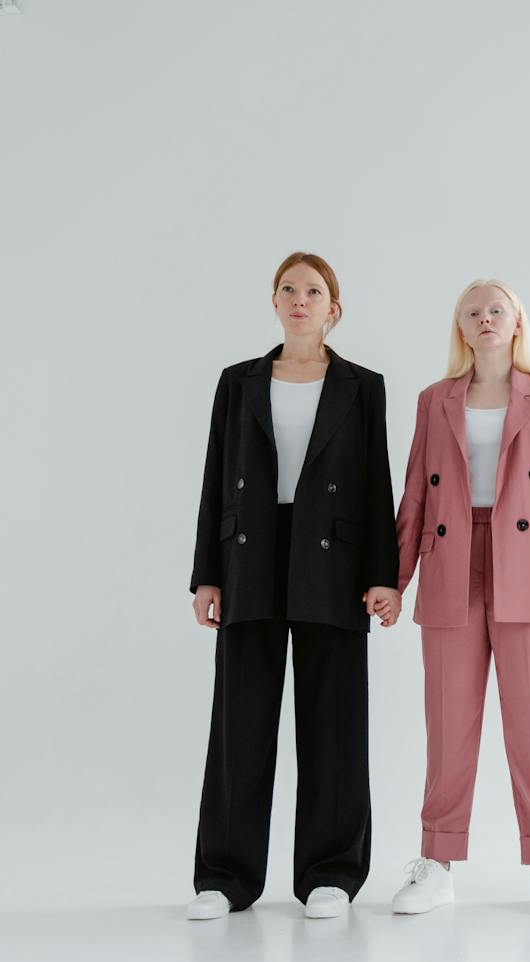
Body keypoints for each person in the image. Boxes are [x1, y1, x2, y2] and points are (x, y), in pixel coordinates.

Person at [185, 252, 400, 921]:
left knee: (334, 719)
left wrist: (381, 575)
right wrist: (206, 574)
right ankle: (225, 877)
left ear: (334, 309)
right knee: (240, 720)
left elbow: (375, 485)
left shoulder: (363, 386)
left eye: (313, 290)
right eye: (288, 288)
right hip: (250, 552)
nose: (299, 298)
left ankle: (331, 872)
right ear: (273, 302)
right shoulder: (239, 381)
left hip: (331, 558)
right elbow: (216, 475)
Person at [387, 280, 530, 915]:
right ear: (460, 327)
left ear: (516, 323)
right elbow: (415, 497)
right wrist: (392, 581)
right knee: (448, 724)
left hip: (527, 567)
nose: (484, 319)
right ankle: (438, 862)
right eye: (472, 312)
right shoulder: (434, 400)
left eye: (495, 310)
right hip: (450, 562)